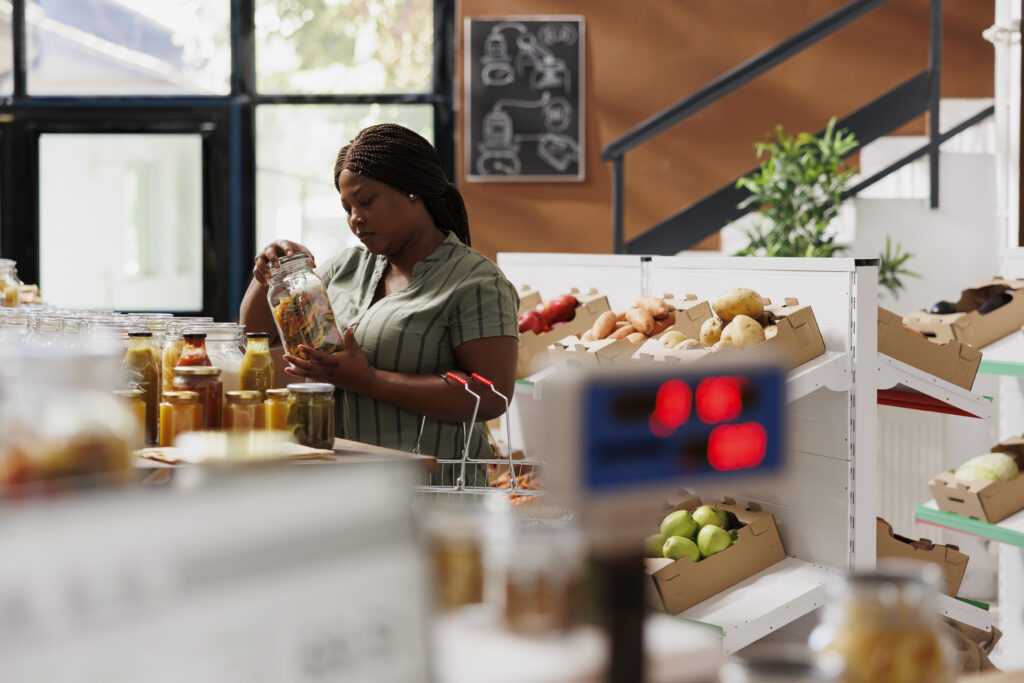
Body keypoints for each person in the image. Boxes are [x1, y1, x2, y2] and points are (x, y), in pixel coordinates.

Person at [240, 124, 519, 476]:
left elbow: (492, 395)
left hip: (432, 492)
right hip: (339, 488)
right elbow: (253, 341)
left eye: (365, 201)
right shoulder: (345, 268)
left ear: (413, 190)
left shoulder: (476, 281)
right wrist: (268, 275)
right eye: (347, 207)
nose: (355, 218)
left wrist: (368, 380)